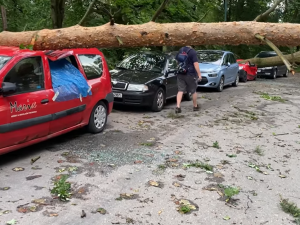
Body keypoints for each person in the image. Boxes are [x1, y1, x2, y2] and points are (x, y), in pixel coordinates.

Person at [175, 46, 202, 113]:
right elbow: (195, 64)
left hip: (181, 74)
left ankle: (178, 107)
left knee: (180, 90)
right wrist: (199, 74)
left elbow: (177, 61)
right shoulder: (192, 52)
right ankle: (195, 106)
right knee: (193, 91)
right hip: (191, 74)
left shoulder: (180, 50)